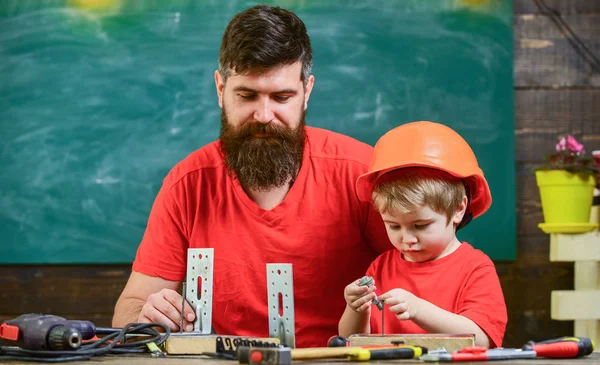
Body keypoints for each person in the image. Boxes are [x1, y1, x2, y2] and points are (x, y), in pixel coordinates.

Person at [112, 4, 392, 348]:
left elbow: (430, 275)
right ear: (220, 89)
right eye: (246, 95)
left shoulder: (362, 174)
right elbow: (127, 311)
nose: (263, 115)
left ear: (307, 91)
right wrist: (145, 315)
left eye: (282, 97)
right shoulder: (187, 184)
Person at [338, 121, 507, 348]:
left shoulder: (475, 269)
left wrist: (419, 310)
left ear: (458, 209)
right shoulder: (380, 267)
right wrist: (355, 308)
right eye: (394, 226)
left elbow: (482, 340)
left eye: (421, 226)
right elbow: (352, 340)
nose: (407, 239)